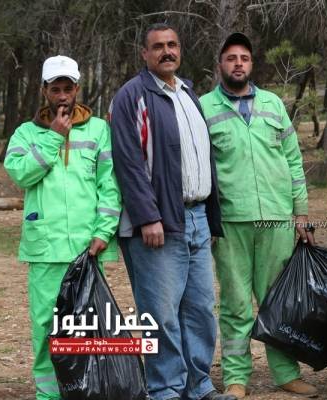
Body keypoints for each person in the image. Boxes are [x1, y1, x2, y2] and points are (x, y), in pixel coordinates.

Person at [109, 23, 234, 400]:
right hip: (158, 223)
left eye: (173, 45)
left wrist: (209, 218)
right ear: (144, 54)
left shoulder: (187, 93)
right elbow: (128, 162)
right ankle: (165, 390)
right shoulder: (131, 96)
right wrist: (148, 217)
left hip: (196, 219)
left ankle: (198, 386)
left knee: (200, 310)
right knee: (161, 314)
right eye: (158, 46)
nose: (167, 51)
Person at [199, 33, 316, 399]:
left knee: (277, 301)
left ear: (251, 64)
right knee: (235, 303)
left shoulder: (273, 105)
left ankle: (286, 373)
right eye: (231, 57)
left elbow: (293, 160)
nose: (238, 63)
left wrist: (300, 212)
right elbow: (199, 168)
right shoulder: (203, 107)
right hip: (231, 221)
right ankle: (237, 377)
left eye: (244, 58)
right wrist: (206, 218)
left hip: (276, 219)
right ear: (220, 64)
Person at [4, 55, 121, 400]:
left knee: (86, 326)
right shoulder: (26, 133)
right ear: (44, 91)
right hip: (45, 250)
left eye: (68, 88)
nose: (62, 96)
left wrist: (103, 231)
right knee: (46, 326)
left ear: (77, 89)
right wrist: (53, 137)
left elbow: (110, 186)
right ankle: (49, 394)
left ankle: (84, 389)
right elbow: (21, 174)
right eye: (55, 89)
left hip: (87, 250)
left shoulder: (98, 130)